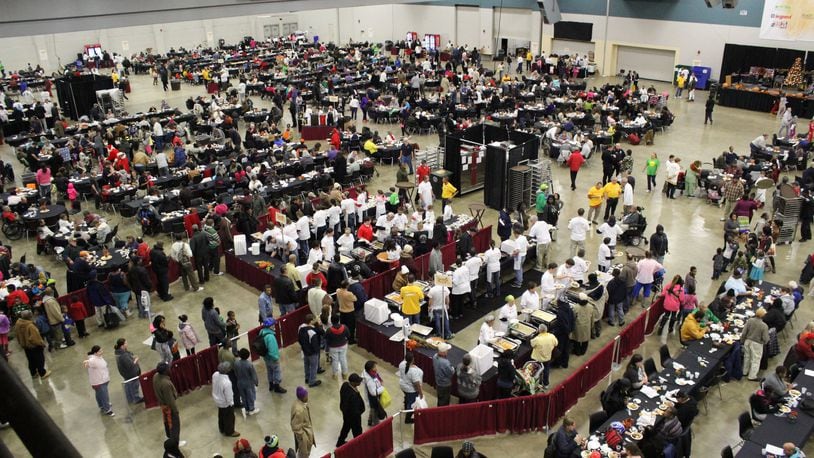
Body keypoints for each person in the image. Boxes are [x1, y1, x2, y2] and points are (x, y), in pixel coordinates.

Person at [154, 362, 185, 446]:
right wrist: (175, 410)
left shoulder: (156, 376)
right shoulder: (165, 384)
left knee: (167, 423)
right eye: (168, 368)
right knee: (174, 425)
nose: (169, 369)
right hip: (169, 407)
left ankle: (169, 437)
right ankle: (175, 442)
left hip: (162, 404)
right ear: (165, 371)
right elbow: (170, 400)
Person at [14, 310, 50, 379]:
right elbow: (35, 338)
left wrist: (21, 343)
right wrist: (41, 344)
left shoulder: (18, 323)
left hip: (25, 346)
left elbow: (17, 334)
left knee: (31, 360)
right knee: (40, 359)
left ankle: (33, 373)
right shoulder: (30, 325)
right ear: (30, 316)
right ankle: (43, 373)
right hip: (34, 346)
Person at [83, 345, 114, 416]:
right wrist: (86, 363)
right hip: (99, 382)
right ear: (95, 353)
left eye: (101, 350)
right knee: (104, 395)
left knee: (99, 394)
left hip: (102, 380)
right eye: (100, 351)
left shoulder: (98, 357)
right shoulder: (93, 360)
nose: (102, 352)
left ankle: (101, 405)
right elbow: (86, 363)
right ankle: (108, 410)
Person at [336, 373, 366, 447]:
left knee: (346, 427)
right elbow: (355, 410)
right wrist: (359, 413)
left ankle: (340, 442)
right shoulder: (353, 396)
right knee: (357, 431)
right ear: (353, 382)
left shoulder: (345, 385)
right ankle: (359, 445)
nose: (359, 382)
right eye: (358, 381)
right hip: (354, 416)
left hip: (346, 413)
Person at [212, 361, 240, 437]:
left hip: (217, 399)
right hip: (225, 402)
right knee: (229, 417)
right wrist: (231, 404)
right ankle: (230, 431)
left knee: (221, 415)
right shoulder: (226, 382)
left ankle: (222, 428)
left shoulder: (215, 375)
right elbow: (229, 395)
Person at [259, 318, 287, 393]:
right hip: (272, 358)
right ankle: (277, 387)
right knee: (276, 371)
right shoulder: (270, 337)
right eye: (273, 324)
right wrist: (276, 358)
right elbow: (272, 350)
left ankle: (271, 385)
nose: (274, 326)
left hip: (266, 357)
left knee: (269, 371)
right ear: (270, 326)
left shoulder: (262, 332)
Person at [742, 308, 770, 381]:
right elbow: (765, 338)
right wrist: (764, 343)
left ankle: (744, 371)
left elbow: (744, 332)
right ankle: (752, 376)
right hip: (757, 344)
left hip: (747, 341)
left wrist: (742, 340)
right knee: (756, 360)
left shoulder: (750, 321)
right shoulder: (764, 326)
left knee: (747, 357)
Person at [297, 313, 323, 388]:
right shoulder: (312, 332)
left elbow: (299, 339)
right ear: (311, 321)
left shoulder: (301, 327)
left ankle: (307, 378)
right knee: (314, 367)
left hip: (305, 351)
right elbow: (315, 344)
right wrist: (317, 351)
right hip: (312, 353)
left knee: (306, 365)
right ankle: (312, 381)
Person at [114, 338, 143, 404]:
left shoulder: (119, 353)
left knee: (128, 385)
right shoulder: (123, 355)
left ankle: (130, 398)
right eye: (126, 343)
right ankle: (136, 398)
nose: (127, 344)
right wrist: (136, 359)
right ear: (122, 346)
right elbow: (130, 365)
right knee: (134, 386)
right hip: (131, 373)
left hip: (125, 374)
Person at [530, 323, 558, 390]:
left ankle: (536, 385)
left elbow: (532, 344)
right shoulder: (551, 336)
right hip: (547, 357)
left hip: (537, 358)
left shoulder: (537, 339)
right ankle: (546, 384)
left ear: (539, 330)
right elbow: (556, 343)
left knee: (535, 372)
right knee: (546, 370)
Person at [399, 352, 424, 423]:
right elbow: (417, 384)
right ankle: (408, 418)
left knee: (407, 397)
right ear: (413, 359)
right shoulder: (413, 372)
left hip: (403, 385)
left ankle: (405, 406)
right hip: (410, 390)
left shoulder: (401, 364)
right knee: (412, 403)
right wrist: (421, 393)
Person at [291, 386, 315, 458]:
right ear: (302, 397)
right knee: (304, 453)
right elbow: (295, 427)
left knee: (304, 451)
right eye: (306, 396)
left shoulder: (298, 402)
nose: (307, 397)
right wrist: (303, 437)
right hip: (304, 435)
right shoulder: (299, 410)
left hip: (306, 432)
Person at [325, 314, 350, 380]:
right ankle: (345, 374)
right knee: (343, 359)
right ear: (339, 320)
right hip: (343, 345)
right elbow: (348, 336)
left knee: (335, 361)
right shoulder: (344, 327)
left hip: (333, 347)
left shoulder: (329, 330)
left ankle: (335, 375)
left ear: (331, 321)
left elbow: (326, 339)